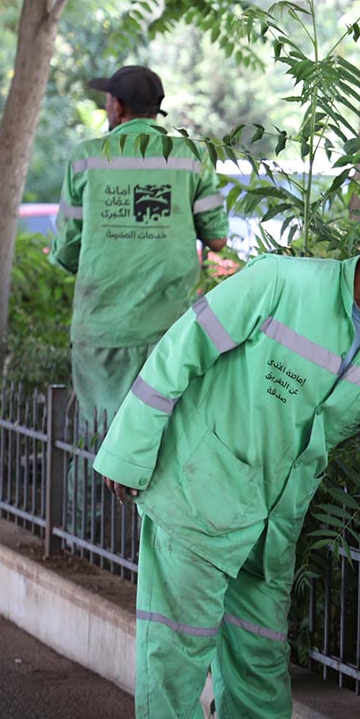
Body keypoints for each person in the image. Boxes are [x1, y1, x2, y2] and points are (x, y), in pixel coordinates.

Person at [93, 204, 360, 719]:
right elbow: (180, 351)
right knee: (174, 668)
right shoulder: (279, 282)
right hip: (198, 499)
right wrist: (127, 453)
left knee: (260, 675)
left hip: (269, 532)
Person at [50, 65, 229, 536]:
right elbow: (217, 239)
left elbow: (66, 248)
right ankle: (148, 547)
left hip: (101, 325)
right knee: (164, 437)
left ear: (116, 106)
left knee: (96, 433)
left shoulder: (87, 158)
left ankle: (82, 538)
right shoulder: (189, 156)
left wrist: (100, 265)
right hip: (170, 331)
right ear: (157, 111)